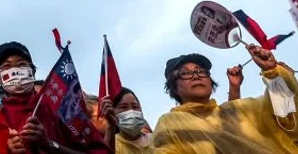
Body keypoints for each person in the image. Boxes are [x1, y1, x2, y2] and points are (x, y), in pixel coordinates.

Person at [152, 45, 298, 153]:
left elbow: (286, 115)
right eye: (185, 73)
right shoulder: (170, 124)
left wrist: (273, 72)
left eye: (200, 71)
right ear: (173, 86)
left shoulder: (239, 109)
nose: (195, 75)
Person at [0, 41, 109, 153]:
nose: (15, 71)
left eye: (21, 64)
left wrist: (51, 145)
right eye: (6, 66)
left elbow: (99, 150)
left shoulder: (63, 108)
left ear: (32, 71)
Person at [108, 88, 151, 152]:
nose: (131, 111)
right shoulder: (112, 145)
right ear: (113, 112)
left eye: (135, 106)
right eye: (123, 107)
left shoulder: (156, 139)